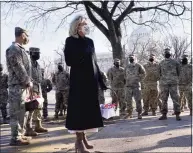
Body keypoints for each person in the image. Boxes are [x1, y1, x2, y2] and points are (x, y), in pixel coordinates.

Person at [64, 15, 107, 153]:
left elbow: (94, 62)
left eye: (86, 24)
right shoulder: (70, 41)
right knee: (79, 111)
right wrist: (83, 53)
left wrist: (101, 81)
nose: (86, 26)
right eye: (83, 23)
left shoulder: (90, 41)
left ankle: (84, 138)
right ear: (77, 26)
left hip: (91, 81)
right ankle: (78, 141)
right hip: (79, 81)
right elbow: (69, 61)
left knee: (88, 111)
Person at [6, 27, 32, 145]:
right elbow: (18, 67)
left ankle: (20, 135)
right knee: (16, 112)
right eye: (27, 35)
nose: (27, 38)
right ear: (22, 35)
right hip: (17, 86)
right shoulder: (14, 49)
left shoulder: (20, 49)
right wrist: (27, 81)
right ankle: (15, 138)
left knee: (22, 112)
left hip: (22, 86)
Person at [25, 47, 48, 137]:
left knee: (39, 107)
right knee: (30, 109)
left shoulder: (37, 64)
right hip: (30, 88)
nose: (38, 55)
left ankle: (38, 125)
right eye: (36, 53)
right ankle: (28, 128)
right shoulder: (27, 63)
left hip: (38, 88)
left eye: (39, 53)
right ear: (31, 53)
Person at [158, 48, 181, 121]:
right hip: (164, 84)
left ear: (170, 54)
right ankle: (164, 114)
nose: (167, 54)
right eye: (166, 53)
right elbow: (159, 73)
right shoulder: (161, 63)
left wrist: (175, 79)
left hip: (173, 83)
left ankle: (177, 114)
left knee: (175, 99)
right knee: (164, 99)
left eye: (168, 53)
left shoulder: (175, 62)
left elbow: (179, 72)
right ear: (164, 54)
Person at [124, 54, 146, 119]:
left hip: (136, 86)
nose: (131, 59)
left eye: (132, 58)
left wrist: (138, 79)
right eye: (130, 58)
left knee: (138, 100)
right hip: (128, 86)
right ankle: (129, 113)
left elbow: (144, 73)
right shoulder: (127, 66)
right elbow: (124, 75)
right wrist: (127, 80)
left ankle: (139, 113)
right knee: (128, 101)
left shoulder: (138, 65)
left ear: (135, 58)